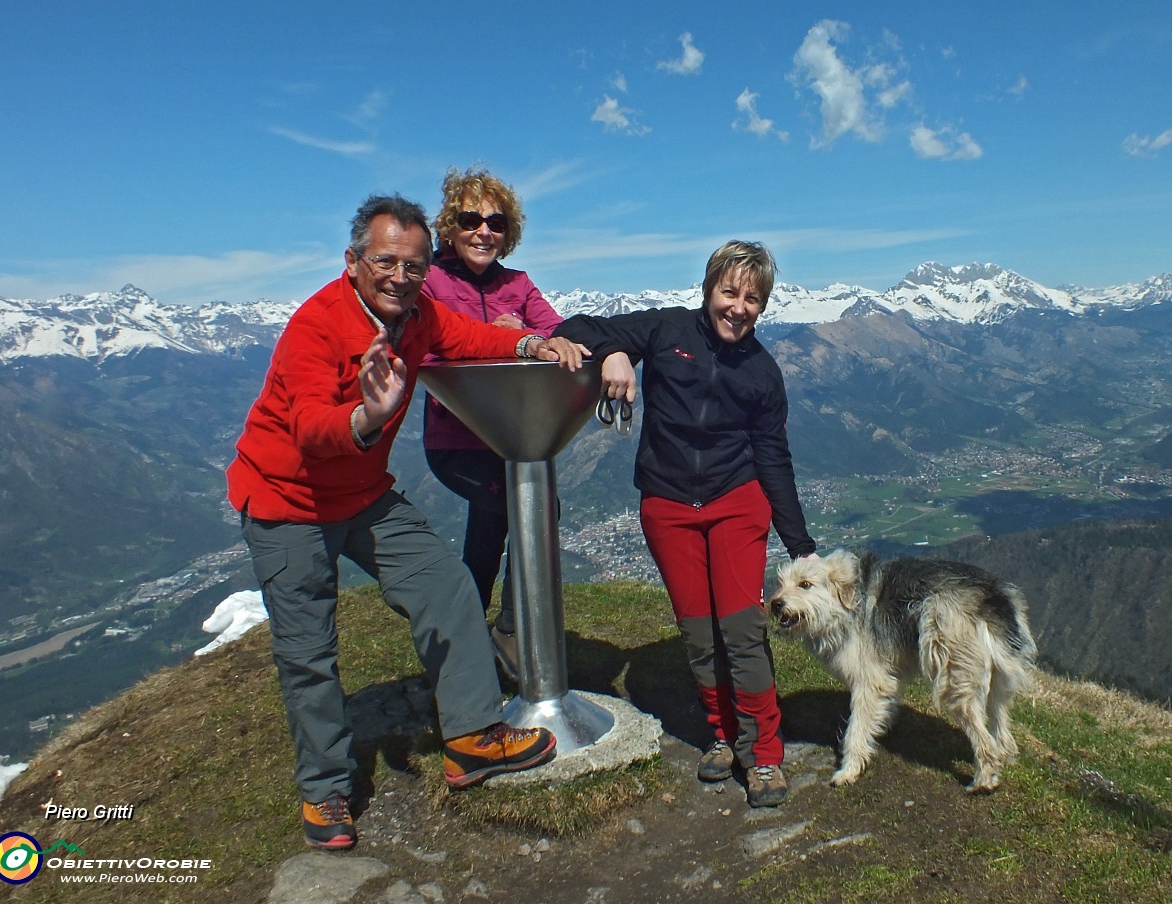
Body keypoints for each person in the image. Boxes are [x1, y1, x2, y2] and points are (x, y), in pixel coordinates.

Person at [226, 193, 587, 850]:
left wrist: (533, 341)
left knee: (445, 583)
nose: (401, 276)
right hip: (287, 503)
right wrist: (366, 417)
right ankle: (326, 789)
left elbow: (472, 338)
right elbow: (308, 427)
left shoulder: (419, 315)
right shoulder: (315, 327)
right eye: (386, 261)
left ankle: (474, 737)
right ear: (354, 261)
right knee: (309, 650)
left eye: (414, 265)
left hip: (362, 493)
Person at [553, 240, 816, 808]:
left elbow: (774, 459)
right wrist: (612, 353)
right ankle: (722, 734)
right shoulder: (667, 329)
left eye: (753, 297)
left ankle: (764, 752)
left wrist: (800, 546)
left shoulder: (764, 373)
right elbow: (574, 325)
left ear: (764, 305)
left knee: (741, 631)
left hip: (737, 502)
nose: (739, 307)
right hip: (668, 507)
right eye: (730, 291)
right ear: (708, 289)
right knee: (699, 633)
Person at [422, 167, 633, 676]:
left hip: (509, 437)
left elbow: (563, 330)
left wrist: (609, 351)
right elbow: (428, 344)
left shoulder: (517, 284)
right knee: (527, 506)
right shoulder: (429, 281)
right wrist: (499, 336)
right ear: (450, 225)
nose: (483, 231)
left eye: (496, 223)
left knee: (490, 527)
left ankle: (466, 641)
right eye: (471, 219)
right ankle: (507, 630)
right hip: (457, 440)